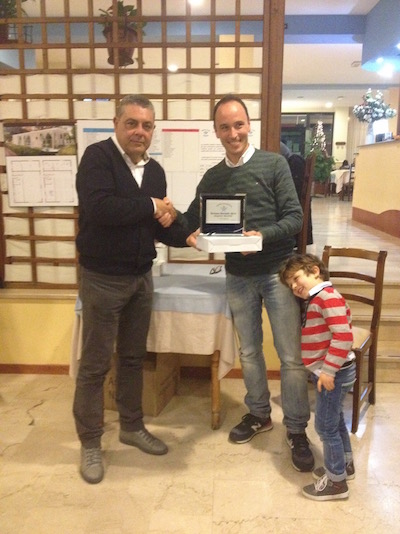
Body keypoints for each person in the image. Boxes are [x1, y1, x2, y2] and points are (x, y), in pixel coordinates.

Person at [184, 94, 314, 472]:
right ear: (216, 132)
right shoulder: (213, 177)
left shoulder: (274, 164)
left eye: (238, 124)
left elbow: (294, 218)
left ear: (249, 125)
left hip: (277, 273)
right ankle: (259, 413)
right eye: (224, 127)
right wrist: (180, 227)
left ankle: (296, 429)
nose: (233, 133)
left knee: (290, 357)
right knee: (250, 353)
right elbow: (192, 218)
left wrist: (260, 237)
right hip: (238, 276)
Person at [73, 95, 190, 484]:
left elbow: (156, 225)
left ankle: (132, 426)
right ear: (116, 124)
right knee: (95, 365)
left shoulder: (154, 170)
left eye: (147, 125)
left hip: (142, 277)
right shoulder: (97, 158)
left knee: (133, 358)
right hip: (102, 278)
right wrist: (152, 205)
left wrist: (188, 233)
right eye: (132, 123)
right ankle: (91, 442)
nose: (140, 131)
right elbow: (100, 208)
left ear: (153, 130)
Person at [279, 253, 356, 501]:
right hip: (329, 371)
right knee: (335, 420)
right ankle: (344, 465)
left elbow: (343, 336)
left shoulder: (326, 297)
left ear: (314, 271)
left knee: (325, 427)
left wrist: (328, 371)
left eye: (296, 278)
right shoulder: (319, 297)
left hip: (333, 372)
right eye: (290, 284)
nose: (294, 286)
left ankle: (336, 482)